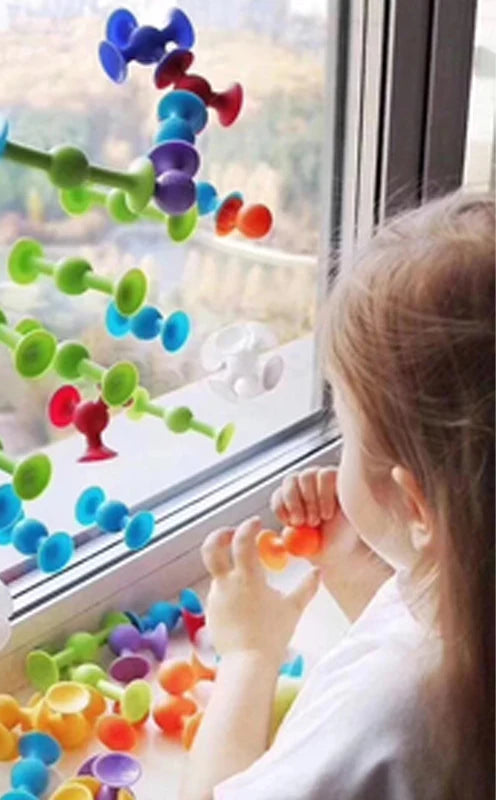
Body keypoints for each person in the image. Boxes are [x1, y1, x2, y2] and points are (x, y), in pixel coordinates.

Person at [182, 192, 494, 800]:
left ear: (416, 506)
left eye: (345, 432)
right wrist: (357, 569)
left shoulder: (388, 717)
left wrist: (249, 654)